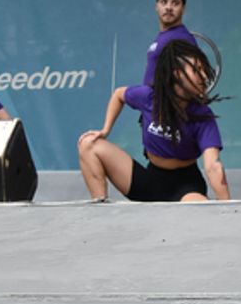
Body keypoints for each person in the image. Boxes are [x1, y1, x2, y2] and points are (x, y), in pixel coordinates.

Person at [78, 39, 230, 202]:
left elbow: (213, 165)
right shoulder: (149, 97)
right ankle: (99, 205)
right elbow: (119, 95)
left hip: (186, 187)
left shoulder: (202, 116)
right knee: (88, 144)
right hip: (150, 180)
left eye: (204, 70)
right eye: (196, 70)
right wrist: (105, 130)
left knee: (199, 208)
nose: (204, 76)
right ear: (177, 73)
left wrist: (227, 209)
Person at [144, 0, 197, 86]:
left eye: (175, 3)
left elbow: (187, 84)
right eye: (164, 2)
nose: (169, 7)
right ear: (156, 6)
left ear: (183, 9)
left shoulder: (182, 39)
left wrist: (128, 93)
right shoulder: (164, 36)